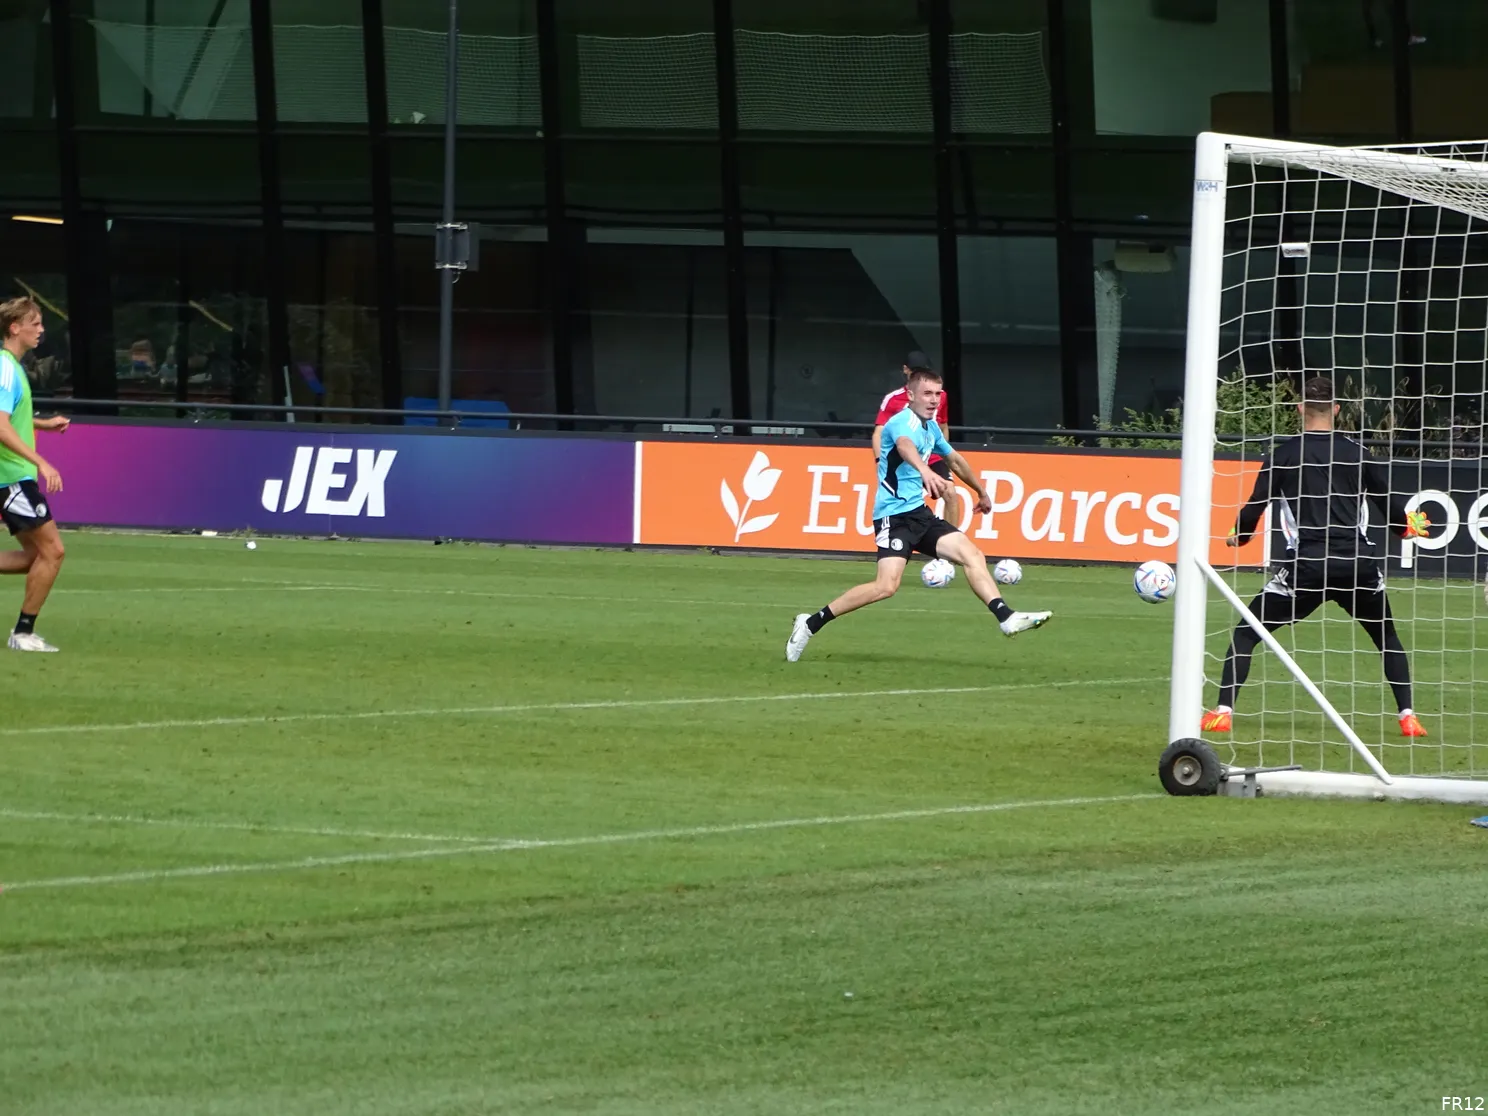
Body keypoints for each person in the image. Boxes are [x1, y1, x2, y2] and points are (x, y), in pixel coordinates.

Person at [1202, 375, 1428, 737]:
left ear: (1300, 408)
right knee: (1387, 637)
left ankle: (1223, 712)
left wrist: (1239, 537)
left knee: (1247, 632)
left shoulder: (1285, 454)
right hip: (1357, 566)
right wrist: (1406, 527)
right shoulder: (1358, 452)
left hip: (1308, 567)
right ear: (1336, 409)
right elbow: (1388, 502)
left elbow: (1254, 507)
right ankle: (1408, 717)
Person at [787, 368, 1051, 661]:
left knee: (972, 554)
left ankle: (1006, 617)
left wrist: (981, 491)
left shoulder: (932, 427)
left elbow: (954, 459)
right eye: (927, 393)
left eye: (938, 394)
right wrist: (925, 470)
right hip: (894, 517)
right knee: (886, 587)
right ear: (910, 395)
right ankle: (810, 624)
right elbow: (905, 446)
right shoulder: (902, 422)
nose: (934, 400)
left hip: (920, 516)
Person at [0, 297, 68, 653]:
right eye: (35, 323)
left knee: (34, 557)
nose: (41, 330)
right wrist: (42, 461)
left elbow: (12, 420)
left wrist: (43, 423)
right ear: (15, 328)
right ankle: (23, 633)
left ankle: (24, 632)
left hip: (12, 475)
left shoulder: (10, 366)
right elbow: (1, 427)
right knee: (53, 552)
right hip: (12, 476)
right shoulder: (5, 368)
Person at [872, 351, 962, 530]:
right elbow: (878, 433)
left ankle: (949, 550)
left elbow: (943, 426)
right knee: (901, 501)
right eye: (915, 371)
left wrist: (944, 453)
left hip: (931, 455)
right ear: (906, 370)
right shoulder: (893, 399)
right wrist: (878, 460)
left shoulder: (940, 396)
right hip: (902, 459)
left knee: (950, 493)